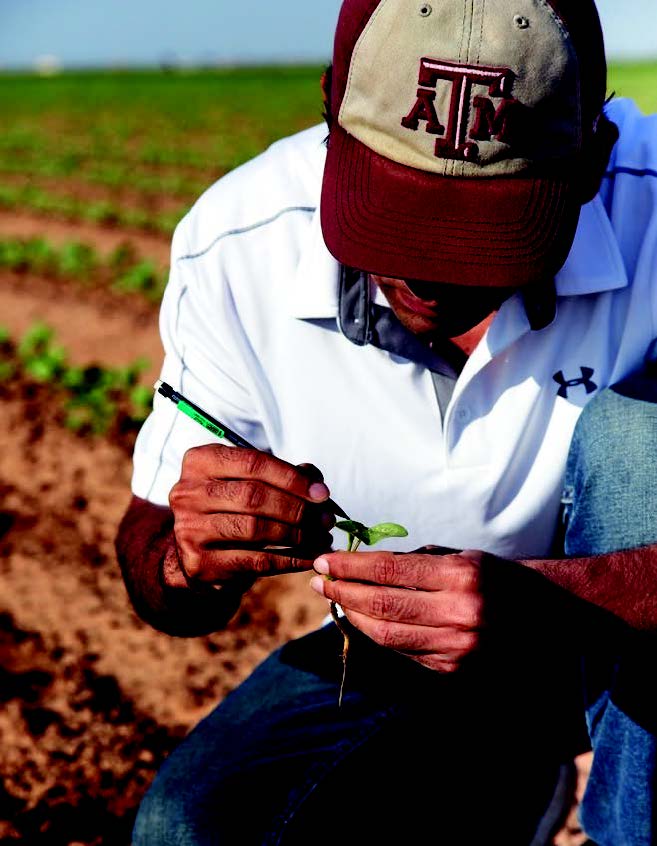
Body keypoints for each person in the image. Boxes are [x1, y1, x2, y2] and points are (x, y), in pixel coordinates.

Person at [116, 0, 657, 843]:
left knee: (644, 443)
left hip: (639, 660)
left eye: (486, 234)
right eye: (396, 218)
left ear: (590, 161)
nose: (430, 277)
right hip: (394, 659)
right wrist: (188, 558)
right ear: (333, 119)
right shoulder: (238, 245)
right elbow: (155, 575)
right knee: (191, 831)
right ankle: (506, 788)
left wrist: (567, 608)